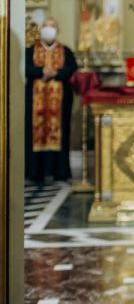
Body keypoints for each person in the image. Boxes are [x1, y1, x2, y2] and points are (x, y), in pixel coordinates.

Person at [26, 17, 78, 182]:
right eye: (46, 26)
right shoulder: (31, 50)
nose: (49, 29)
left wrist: (56, 73)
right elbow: (26, 68)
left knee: (59, 132)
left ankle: (60, 171)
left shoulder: (65, 51)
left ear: (57, 30)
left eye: (52, 26)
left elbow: (72, 69)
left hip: (60, 102)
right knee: (35, 133)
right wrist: (41, 71)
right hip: (36, 100)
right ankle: (35, 171)